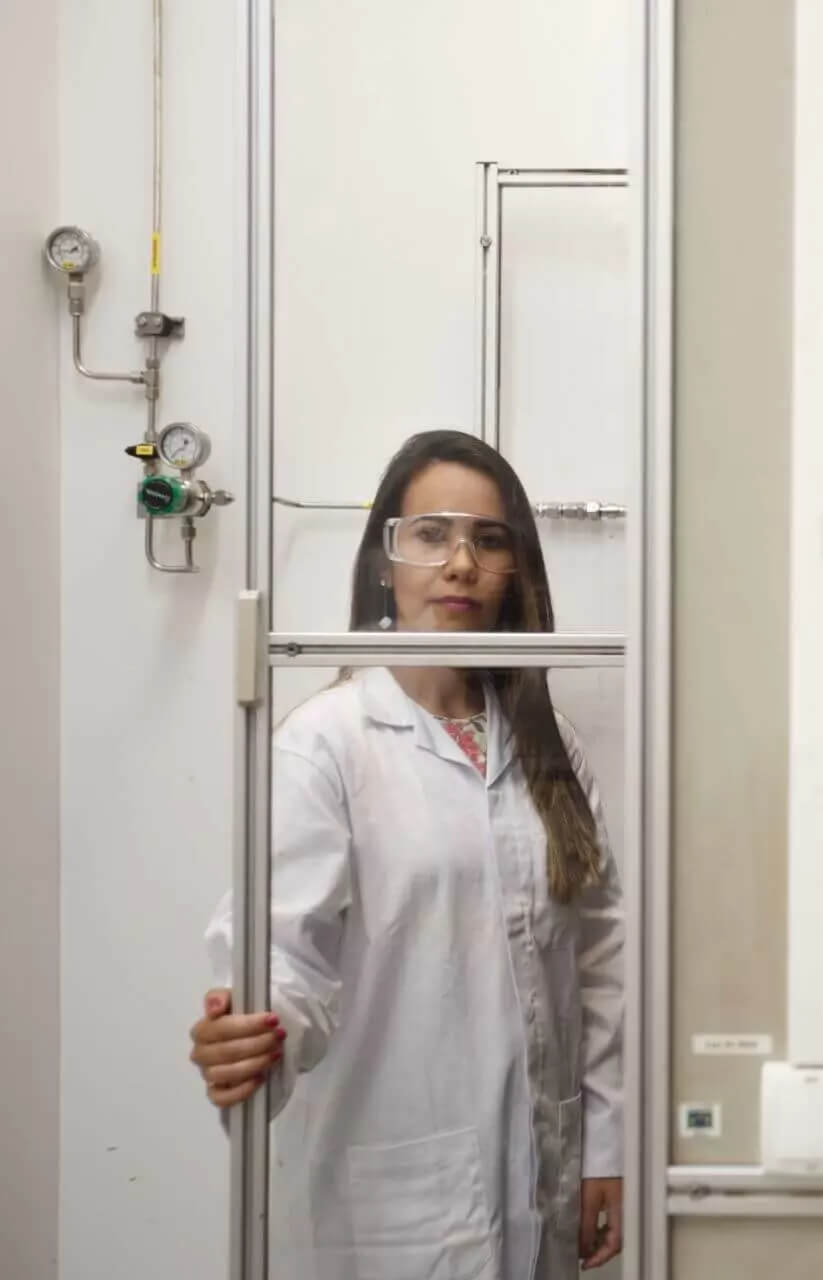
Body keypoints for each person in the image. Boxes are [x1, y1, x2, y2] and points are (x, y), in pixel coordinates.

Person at [194, 430, 623, 1278]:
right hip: (390, 1208)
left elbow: (602, 962)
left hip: (546, 1180)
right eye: (431, 534)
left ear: (514, 572)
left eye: (488, 539)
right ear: (386, 562)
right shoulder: (327, 744)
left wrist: (605, 1144)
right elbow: (282, 953)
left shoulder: (549, 745)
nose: (460, 561)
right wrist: (252, 1033)